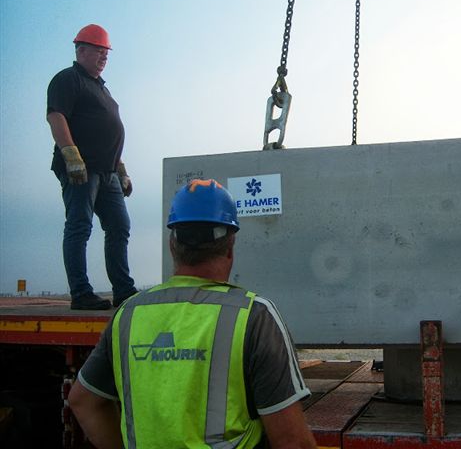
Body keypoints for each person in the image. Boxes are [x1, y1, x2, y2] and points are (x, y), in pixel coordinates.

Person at [68, 179, 317, 449]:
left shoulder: (128, 314)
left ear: (173, 244)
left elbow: (83, 401)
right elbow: (293, 442)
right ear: (231, 247)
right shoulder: (253, 316)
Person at [47, 24, 137, 310]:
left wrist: (121, 171)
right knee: (79, 226)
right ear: (81, 50)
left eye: (106, 53)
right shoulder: (68, 79)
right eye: (99, 51)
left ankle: (124, 291)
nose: (104, 57)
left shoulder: (102, 89)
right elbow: (56, 116)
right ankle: (81, 293)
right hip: (83, 170)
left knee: (119, 226)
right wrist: (72, 157)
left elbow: (110, 133)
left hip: (108, 172)